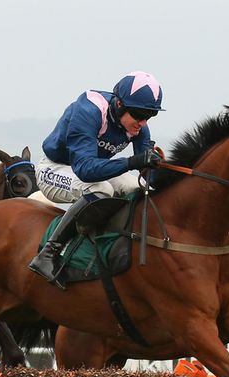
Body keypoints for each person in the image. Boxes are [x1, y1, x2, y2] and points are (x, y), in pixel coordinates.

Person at [28, 71, 164, 287]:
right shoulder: (89, 110)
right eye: (139, 115)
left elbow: (148, 177)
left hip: (92, 170)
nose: (143, 123)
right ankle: (48, 253)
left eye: (149, 116)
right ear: (119, 104)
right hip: (55, 169)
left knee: (134, 187)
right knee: (102, 189)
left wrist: (158, 168)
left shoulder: (138, 126)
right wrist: (133, 162)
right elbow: (85, 170)